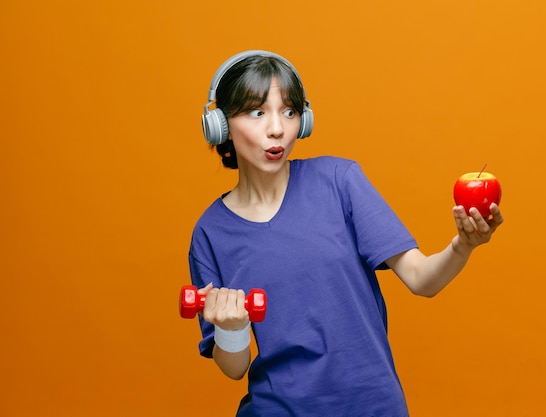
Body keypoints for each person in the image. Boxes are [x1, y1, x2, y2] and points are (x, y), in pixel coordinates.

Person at [187, 50, 504, 417]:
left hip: (373, 408)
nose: (277, 128)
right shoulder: (210, 233)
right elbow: (234, 367)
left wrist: (463, 245)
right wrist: (233, 328)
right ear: (220, 125)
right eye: (258, 113)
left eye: (289, 111)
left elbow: (422, 280)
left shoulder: (340, 182)